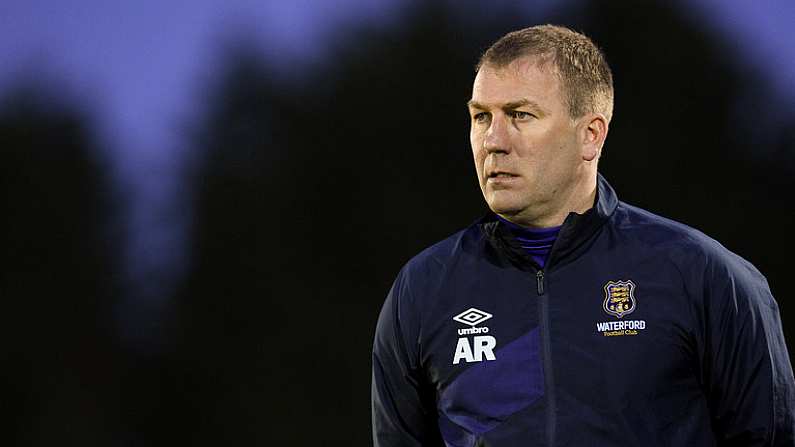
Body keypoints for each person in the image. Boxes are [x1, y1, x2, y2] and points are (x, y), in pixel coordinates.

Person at [371, 24, 795, 446]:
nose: (493, 141)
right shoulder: (423, 289)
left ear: (590, 135)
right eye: (482, 117)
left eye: (520, 115)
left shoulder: (702, 276)